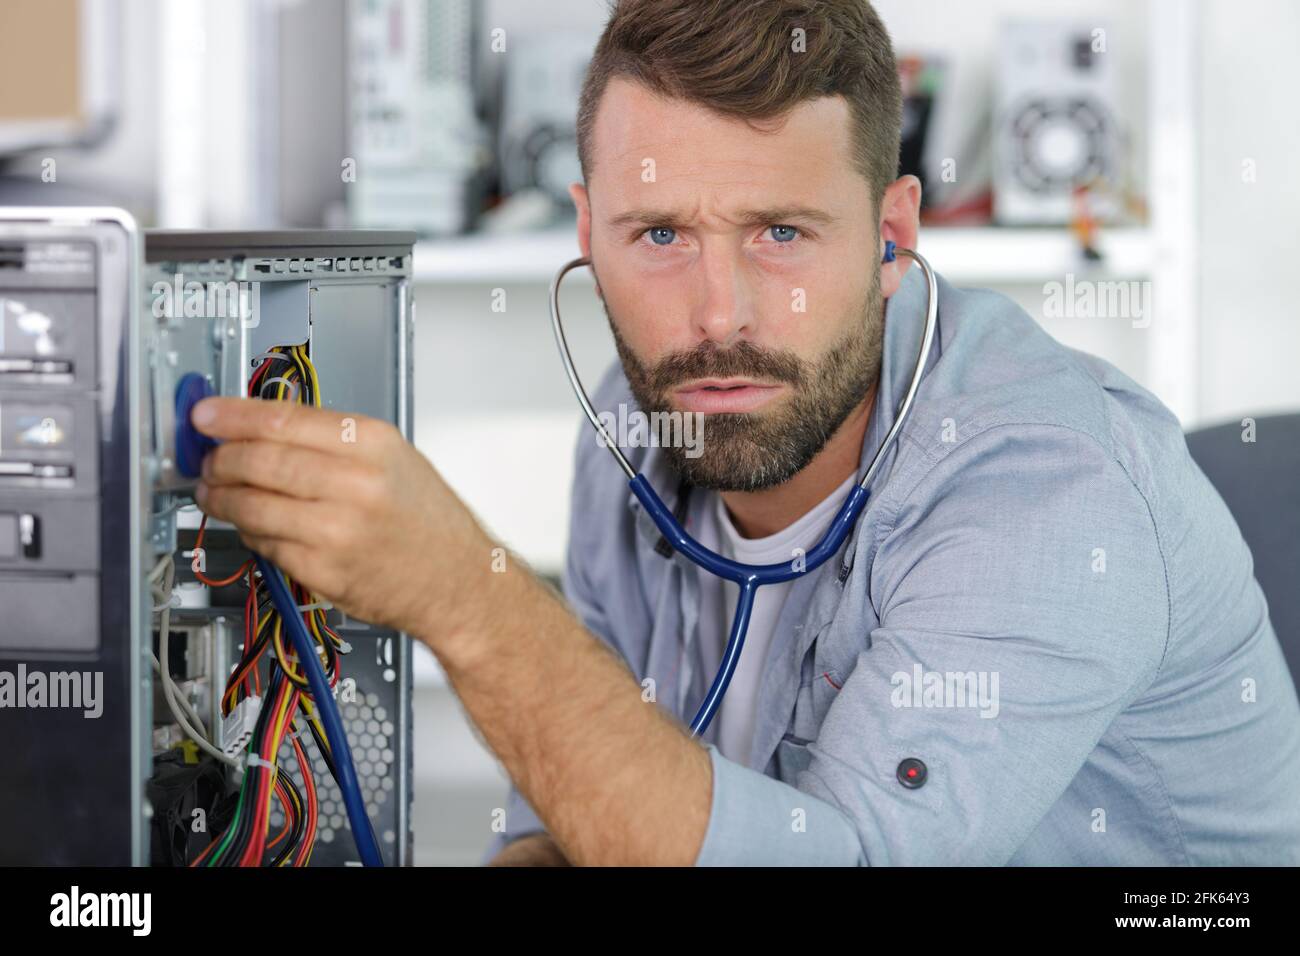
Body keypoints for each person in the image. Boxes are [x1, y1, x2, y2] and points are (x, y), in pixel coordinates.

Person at [191, 0, 1300, 865]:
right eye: (660, 232)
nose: (717, 315)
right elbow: (586, 807)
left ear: (890, 232)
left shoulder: (1052, 490)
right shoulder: (641, 428)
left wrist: (467, 601)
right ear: (586, 231)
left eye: (780, 231)